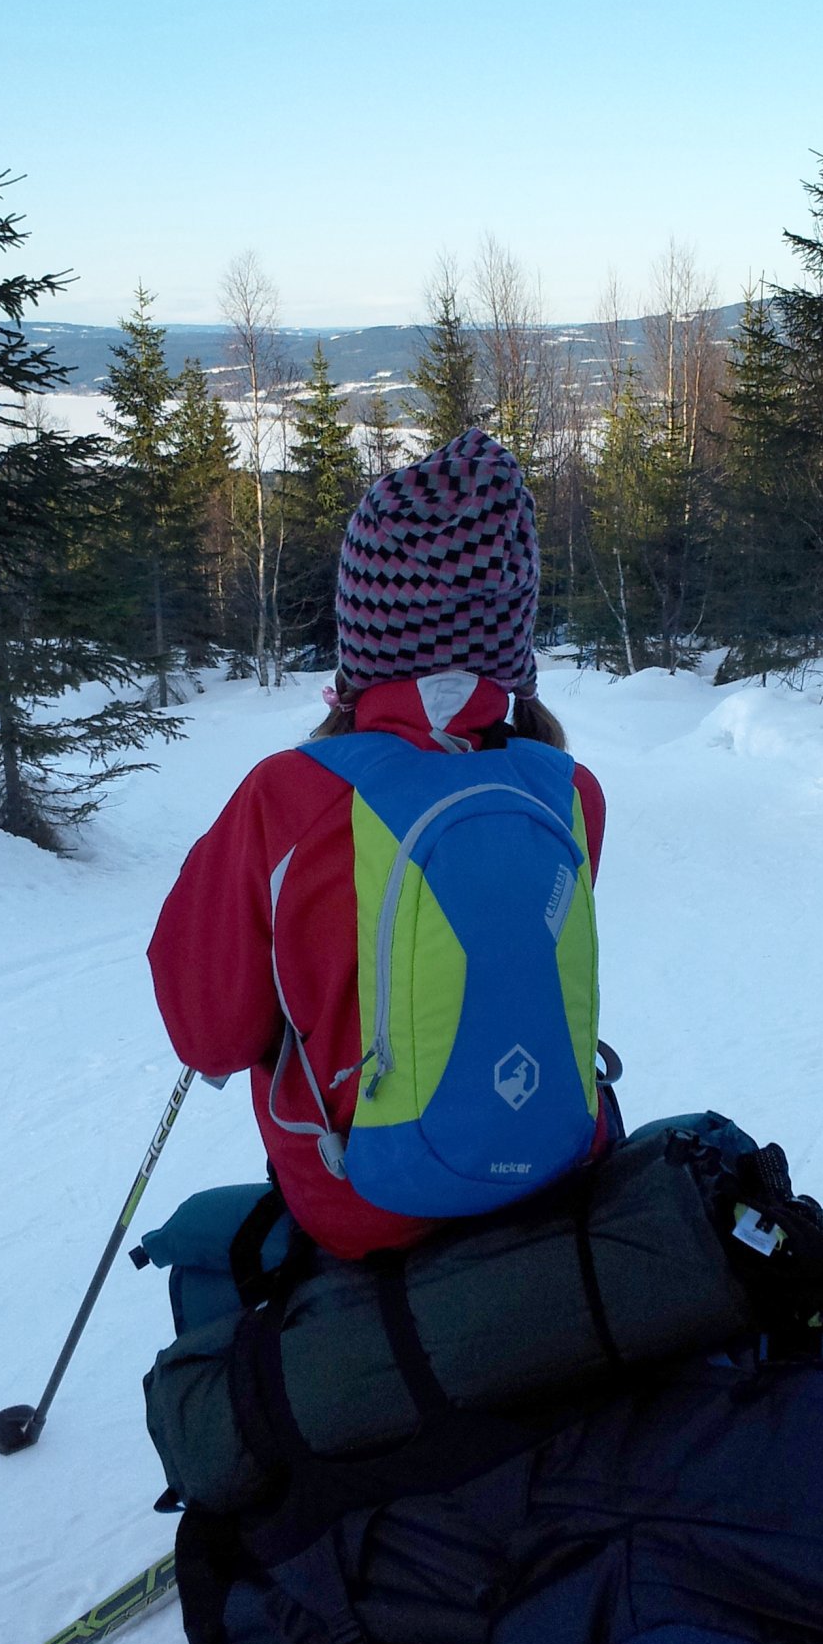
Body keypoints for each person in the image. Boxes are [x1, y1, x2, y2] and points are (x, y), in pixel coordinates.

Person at [148, 427, 607, 1259]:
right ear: (512, 628)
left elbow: (209, 1034)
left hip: (365, 1202)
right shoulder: (569, 792)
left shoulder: (286, 799)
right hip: (557, 1165)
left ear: (364, 622)